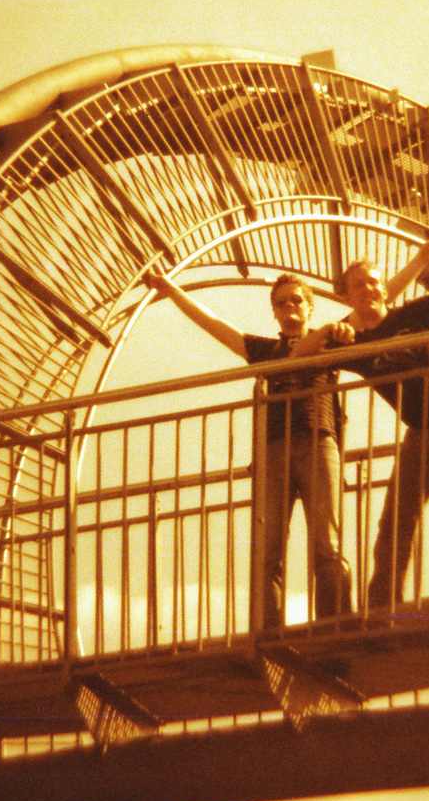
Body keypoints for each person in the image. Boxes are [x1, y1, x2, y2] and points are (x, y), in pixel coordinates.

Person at [141, 269, 354, 628]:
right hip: (272, 452)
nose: (289, 306)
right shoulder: (265, 350)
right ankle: (270, 634)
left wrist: (344, 328)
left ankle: (336, 629)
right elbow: (212, 323)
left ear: (310, 307)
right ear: (274, 312)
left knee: (327, 547)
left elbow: (373, 311)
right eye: (281, 302)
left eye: (296, 300)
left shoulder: (327, 340)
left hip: (317, 441)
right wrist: (169, 288)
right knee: (268, 551)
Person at [325, 238, 429, 611]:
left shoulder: (411, 315)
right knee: (395, 522)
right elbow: (301, 353)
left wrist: (427, 260)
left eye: (373, 281)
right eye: (358, 285)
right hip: (419, 431)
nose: (368, 289)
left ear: (385, 287)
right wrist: (328, 333)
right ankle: (381, 608)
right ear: (347, 297)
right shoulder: (352, 341)